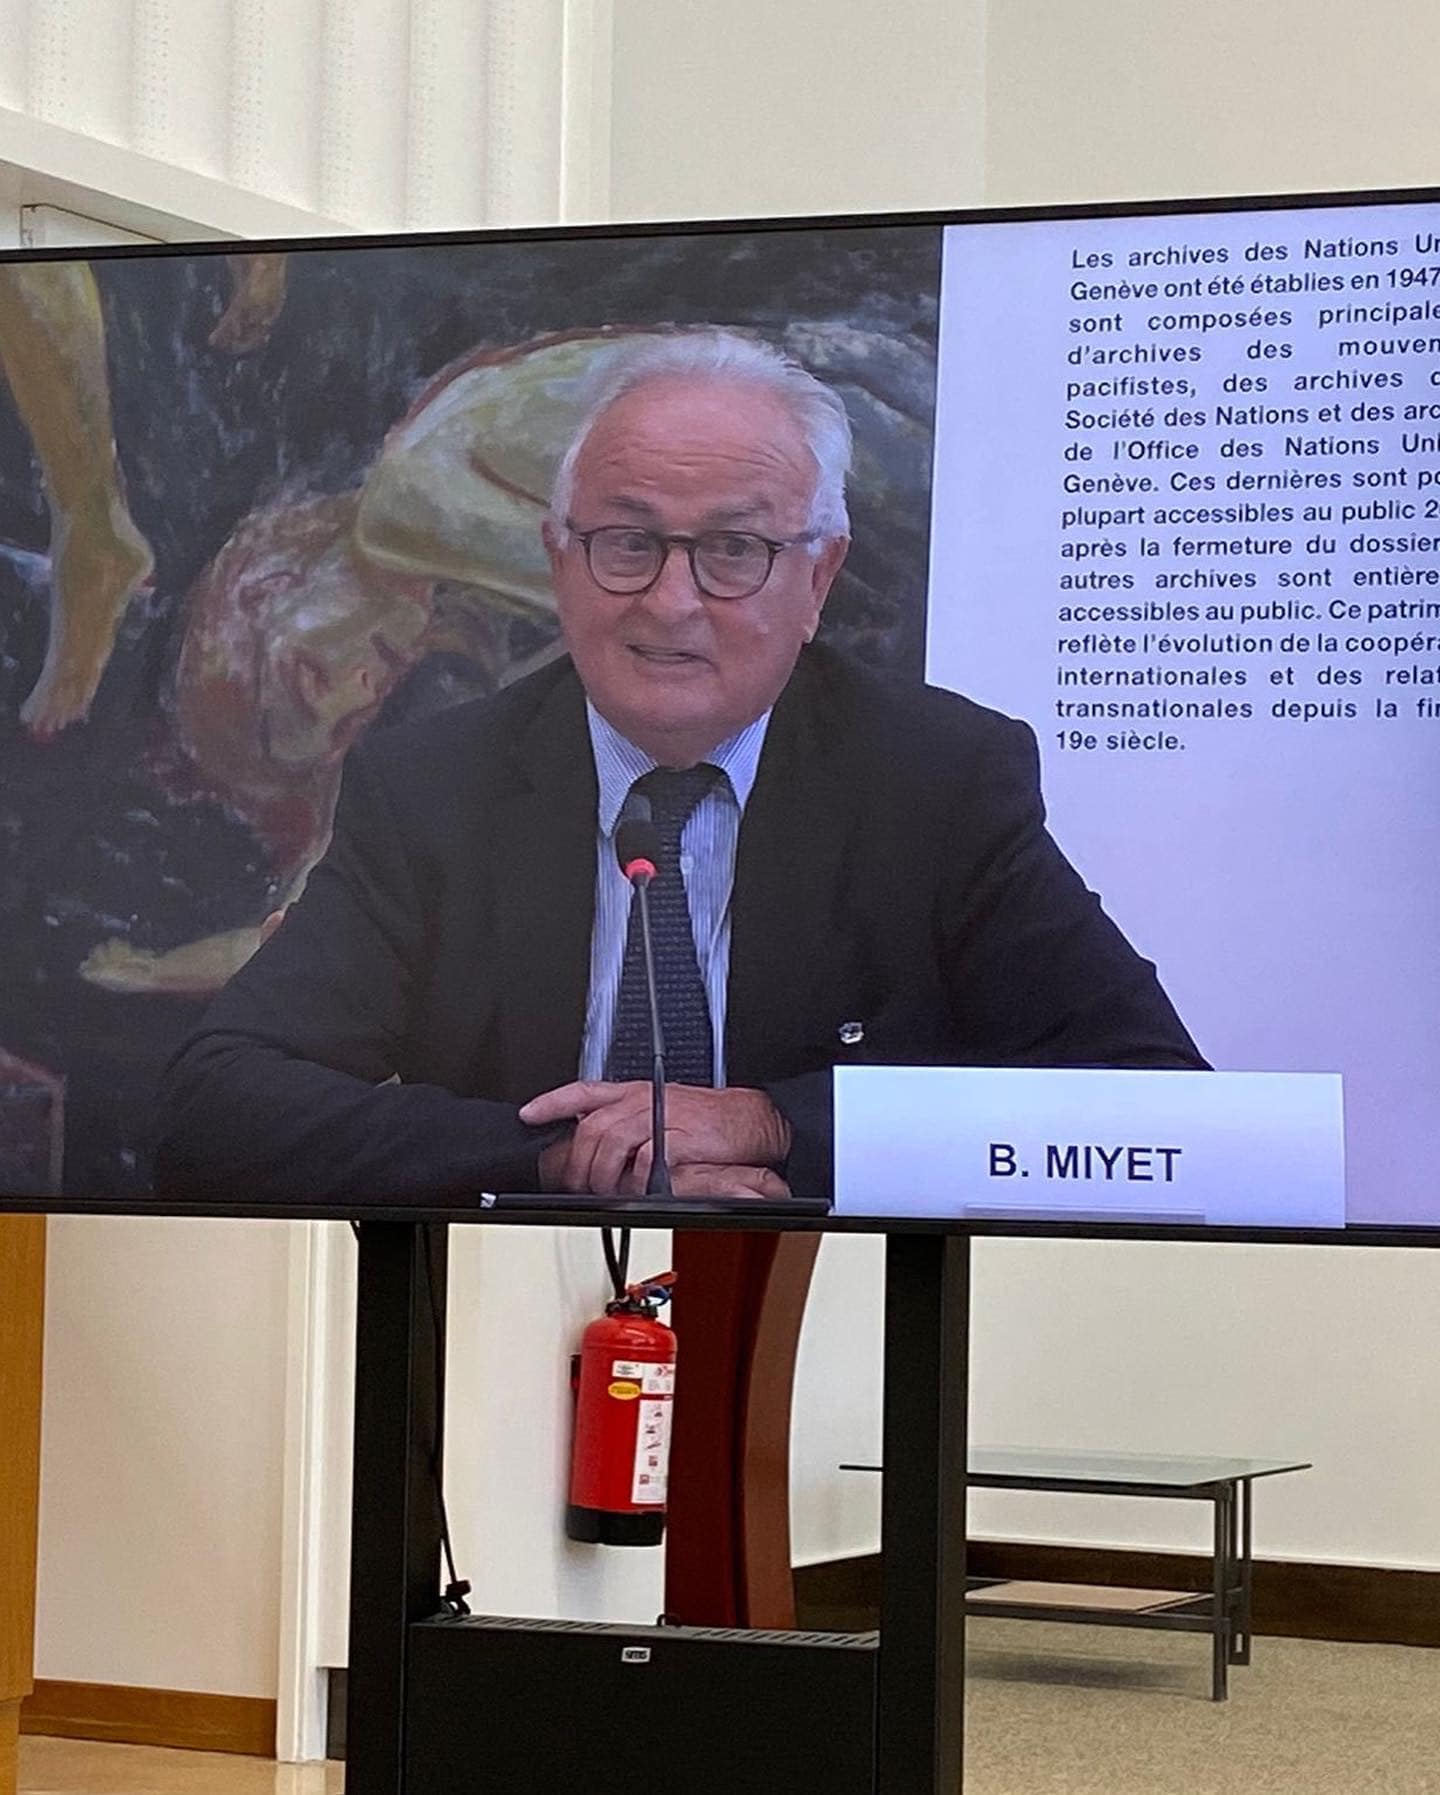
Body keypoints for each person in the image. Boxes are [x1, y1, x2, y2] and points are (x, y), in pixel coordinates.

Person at [153, 329, 1204, 1206]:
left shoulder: (935, 782)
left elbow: (1154, 1098)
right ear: (559, 558)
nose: (669, 602)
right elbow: (217, 1109)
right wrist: (561, 1158)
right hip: (497, 1321)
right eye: (627, 542)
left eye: (733, 550)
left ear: (819, 577)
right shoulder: (432, 787)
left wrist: (773, 1123)